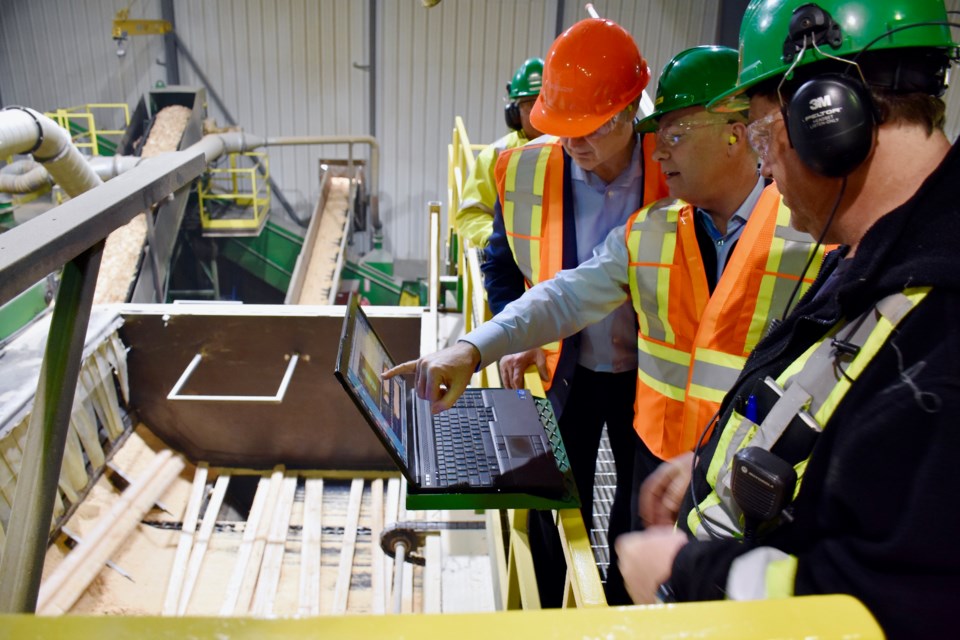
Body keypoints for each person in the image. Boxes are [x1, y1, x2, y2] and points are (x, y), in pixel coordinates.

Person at [386, 43, 831, 605]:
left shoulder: (811, 235)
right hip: (661, 452)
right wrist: (473, 349)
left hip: (756, 475)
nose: (659, 152)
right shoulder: (653, 229)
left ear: (736, 132)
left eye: (673, 133)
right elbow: (563, 296)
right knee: (632, 579)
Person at [613, 1, 960, 636]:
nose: (764, 168)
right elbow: (821, 394)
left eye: (763, 134)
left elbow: (870, 608)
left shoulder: (939, 344)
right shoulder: (878, 257)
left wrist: (688, 571)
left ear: (829, 117)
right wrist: (720, 462)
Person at [480, 17, 667, 606]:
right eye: (562, 130)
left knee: (641, 511)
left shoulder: (676, 168)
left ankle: (617, 609)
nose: (572, 145)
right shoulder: (527, 169)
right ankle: (551, 612)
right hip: (566, 372)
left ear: (628, 114)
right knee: (555, 503)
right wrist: (517, 334)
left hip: (651, 376)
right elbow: (500, 265)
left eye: (587, 131)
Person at [455, 57, 545, 249]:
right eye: (530, 104)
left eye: (545, 102)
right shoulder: (496, 156)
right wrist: (499, 242)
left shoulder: (577, 151)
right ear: (514, 113)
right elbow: (472, 214)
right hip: (512, 264)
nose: (539, 112)